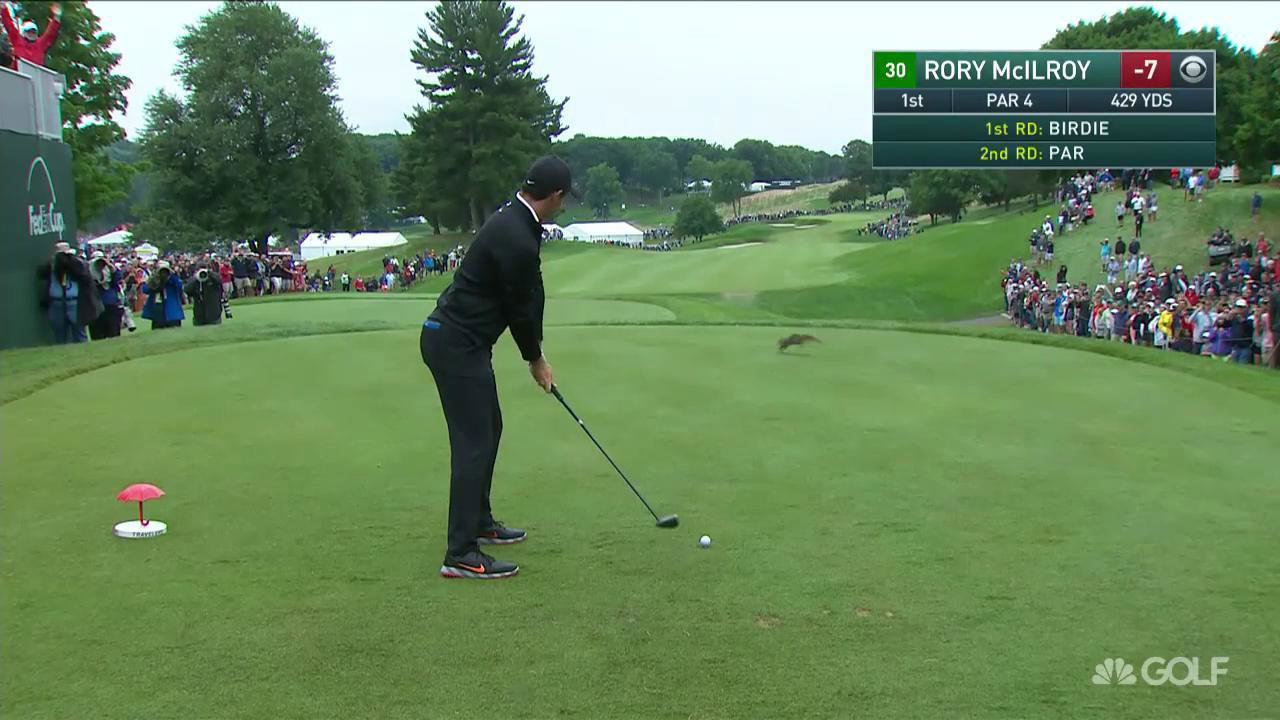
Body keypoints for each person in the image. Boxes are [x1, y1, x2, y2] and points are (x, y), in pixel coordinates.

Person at [420, 155, 577, 580]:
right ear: (555, 195)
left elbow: (532, 292)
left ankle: (480, 521)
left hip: (461, 343)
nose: (564, 206)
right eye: (564, 199)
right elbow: (519, 309)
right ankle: (460, 553)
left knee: (490, 429)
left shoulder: (518, 223)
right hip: (455, 344)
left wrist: (536, 348)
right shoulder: (516, 236)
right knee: (474, 441)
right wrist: (535, 359)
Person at [37, 242, 102, 344]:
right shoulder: (52, 265)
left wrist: (70, 261)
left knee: (79, 333)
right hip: (57, 303)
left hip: (74, 303)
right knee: (60, 335)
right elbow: (41, 274)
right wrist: (53, 262)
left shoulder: (78, 264)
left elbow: (84, 277)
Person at [1, 2, 60, 69]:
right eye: (29, 31)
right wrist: (3, 8)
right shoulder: (17, 40)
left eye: (33, 32)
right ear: (24, 32)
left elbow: (51, 34)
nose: (31, 34)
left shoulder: (40, 44)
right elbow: (9, 25)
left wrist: (57, 17)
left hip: (36, 76)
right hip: (19, 75)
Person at [87, 251, 124, 340]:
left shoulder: (110, 270)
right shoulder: (88, 269)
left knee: (114, 332)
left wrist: (110, 266)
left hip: (111, 304)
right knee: (97, 333)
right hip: (95, 305)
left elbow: (118, 279)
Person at [141, 260, 185, 330]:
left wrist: (172, 275)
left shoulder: (173, 279)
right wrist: (155, 279)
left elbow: (179, 286)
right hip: (158, 310)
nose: (163, 273)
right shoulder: (154, 279)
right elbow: (145, 289)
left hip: (172, 313)